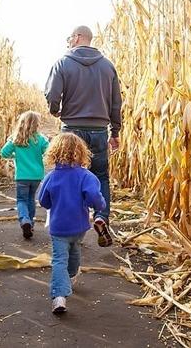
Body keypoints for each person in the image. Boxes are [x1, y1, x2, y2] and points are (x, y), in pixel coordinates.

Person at [44, 25, 122, 247]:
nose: (68, 41)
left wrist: (54, 110)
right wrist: (115, 132)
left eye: (70, 37)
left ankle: (69, 228)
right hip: (98, 130)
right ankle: (101, 216)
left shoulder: (62, 63)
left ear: (78, 37)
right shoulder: (108, 67)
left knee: (67, 176)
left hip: (71, 129)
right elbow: (116, 103)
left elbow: (52, 94)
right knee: (100, 176)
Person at [38, 133, 106, 313]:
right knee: (75, 250)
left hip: (58, 226)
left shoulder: (51, 177)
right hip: (79, 226)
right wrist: (100, 206)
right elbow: (95, 198)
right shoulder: (86, 176)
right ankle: (68, 277)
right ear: (81, 152)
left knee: (60, 259)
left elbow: (43, 201)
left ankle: (59, 296)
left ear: (54, 153)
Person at [0, 111, 49, 239]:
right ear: (37, 124)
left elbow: (3, 153)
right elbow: (49, 152)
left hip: (22, 176)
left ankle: (24, 220)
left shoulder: (16, 139)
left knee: (22, 200)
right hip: (36, 176)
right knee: (31, 199)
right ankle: (30, 224)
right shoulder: (41, 139)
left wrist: (15, 155)